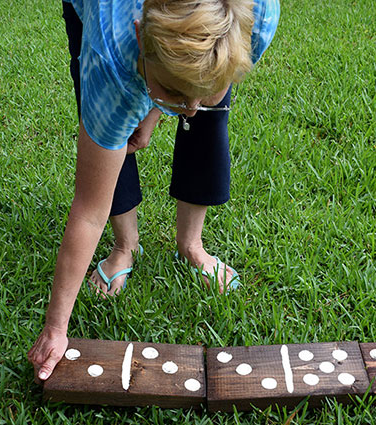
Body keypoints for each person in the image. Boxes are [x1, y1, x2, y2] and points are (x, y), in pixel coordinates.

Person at [28, 0, 280, 382]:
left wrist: (160, 107)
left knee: (206, 109)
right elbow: (88, 211)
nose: (191, 110)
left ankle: (191, 244)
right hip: (107, 25)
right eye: (176, 93)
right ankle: (124, 246)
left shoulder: (257, 17)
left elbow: (195, 96)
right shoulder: (110, 53)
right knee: (114, 128)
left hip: (183, 45)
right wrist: (55, 328)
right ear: (138, 37)